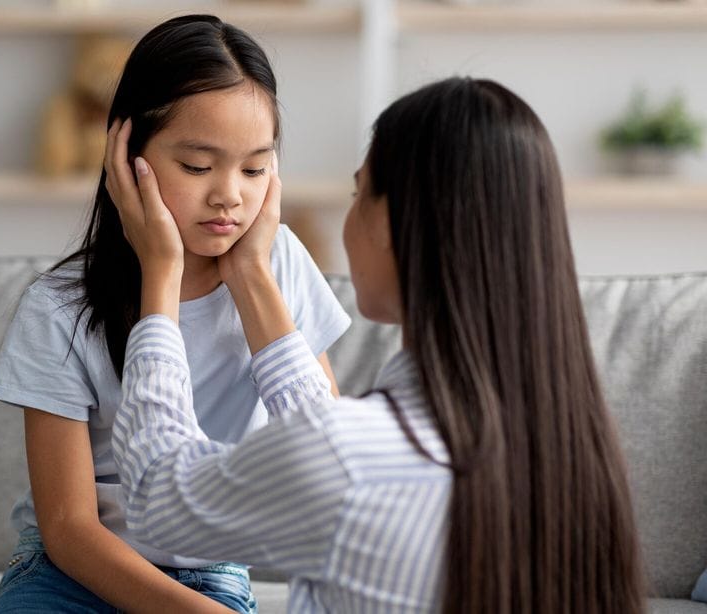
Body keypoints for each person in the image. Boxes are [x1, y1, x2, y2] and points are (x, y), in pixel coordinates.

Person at [109, 77, 647, 613]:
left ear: (390, 222)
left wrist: (159, 275)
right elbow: (324, 452)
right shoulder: (577, 449)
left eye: (358, 193)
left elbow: (159, 496)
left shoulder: (348, 455)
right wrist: (250, 270)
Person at [0, 14, 351, 613]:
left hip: (209, 571)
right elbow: (69, 528)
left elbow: (328, 459)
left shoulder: (281, 269)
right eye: (198, 167)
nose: (230, 194)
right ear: (127, 156)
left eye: (255, 168)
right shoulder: (57, 308)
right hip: (71, 573)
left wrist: (253, 277)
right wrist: (162, 272)